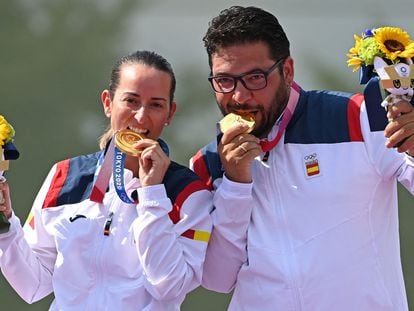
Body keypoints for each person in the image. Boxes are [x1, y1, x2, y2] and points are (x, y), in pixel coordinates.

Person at [190, 5, 414, 310]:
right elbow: (217, 279)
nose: (239, 97)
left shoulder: (358, 118)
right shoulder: (208, 163)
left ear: (287, 70)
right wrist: (235, 185)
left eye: (255, 77)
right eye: (225, 81)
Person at [0, 50, 212, 310]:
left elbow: (169, 286)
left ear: (170, 113)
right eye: (131, 101)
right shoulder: (64, 176)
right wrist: (5, 224)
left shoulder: (189, 193)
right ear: (108, 103)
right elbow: (33, 285)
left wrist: (152, 196)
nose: (141, 117)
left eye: (156, 105)